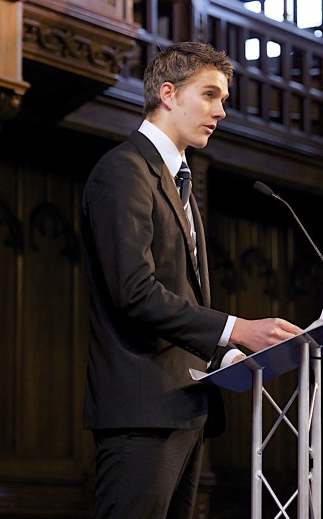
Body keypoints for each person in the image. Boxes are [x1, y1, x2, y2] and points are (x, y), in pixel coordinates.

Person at [81, 41, 303, 519]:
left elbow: (181, 299)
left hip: (183, 407)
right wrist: (236, 327)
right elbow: (133, 293)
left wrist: (230, 354)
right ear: (168, 93)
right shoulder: (124, 171)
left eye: (222, 99)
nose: (220, 111)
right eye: (209, 95)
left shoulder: (177, 177)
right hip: (142, 412)